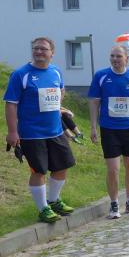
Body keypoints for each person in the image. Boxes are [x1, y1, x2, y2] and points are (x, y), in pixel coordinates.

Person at [4, 37, 76, 223]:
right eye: (36, 48)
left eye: (43, 49)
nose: (38, 52)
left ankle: (53, 200)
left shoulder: (56, 72)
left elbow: (60, 90)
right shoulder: (21, 74)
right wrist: (12, 132)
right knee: (39, 171)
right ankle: (43, 208)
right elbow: (11, 104)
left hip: (55, 131)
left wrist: (58, 108)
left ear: (52, 53)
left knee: (62, 166)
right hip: (32, 133)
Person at [88, 45, 129, 219]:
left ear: (126, 59)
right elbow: (94, 102)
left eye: (118, 56)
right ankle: (114, 203)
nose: (115, 59)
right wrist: (93, 127)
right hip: (109, 129)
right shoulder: (101, 76)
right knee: (113, 169)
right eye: (112, 56)